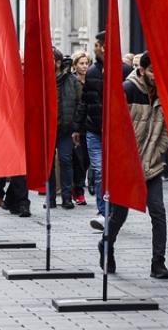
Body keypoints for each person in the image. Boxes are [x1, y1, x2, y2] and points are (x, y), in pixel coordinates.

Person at [101, 52, 168, 280]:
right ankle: (106, 245)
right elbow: (114, 127)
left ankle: (158, 263)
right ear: (142, 70)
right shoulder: (128, 89)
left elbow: (166, 132)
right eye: (152, 71)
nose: (156, 76)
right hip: (127, 165)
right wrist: (123, 160)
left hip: (152, 164)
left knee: (158, 211)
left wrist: (157, 153)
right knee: (119, 215)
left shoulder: (164, 94)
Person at [75, 31, 109, 229]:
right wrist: (78, 128)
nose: (94, 47)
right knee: (98, 171)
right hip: (94, 131)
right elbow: (84, 103)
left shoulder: (122, 70)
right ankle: (103, 213)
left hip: (114, 134)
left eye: (97, 44)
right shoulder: (93, 72)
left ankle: (112, 210)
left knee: (110, 173)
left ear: (104, 46)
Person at [48, 49, 80, 209]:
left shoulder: (71, 80)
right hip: (48, 129)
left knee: (66, 160)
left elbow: (79, 103)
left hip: (66, 129)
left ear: (58, 62)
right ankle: (50, 198)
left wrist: (75, 126)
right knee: (48, 165)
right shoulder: (44, 79)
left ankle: (67, 197)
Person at [69, 51, 92, 206]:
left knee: (87, 160)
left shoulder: (92, 80)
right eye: (81, 63)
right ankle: (78, 190)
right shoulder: (72, 82)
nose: (84, 66)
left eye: (86, 63)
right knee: (79, 160)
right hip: (77, 126)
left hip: (90, 125)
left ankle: (78, 186)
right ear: (75, 65)